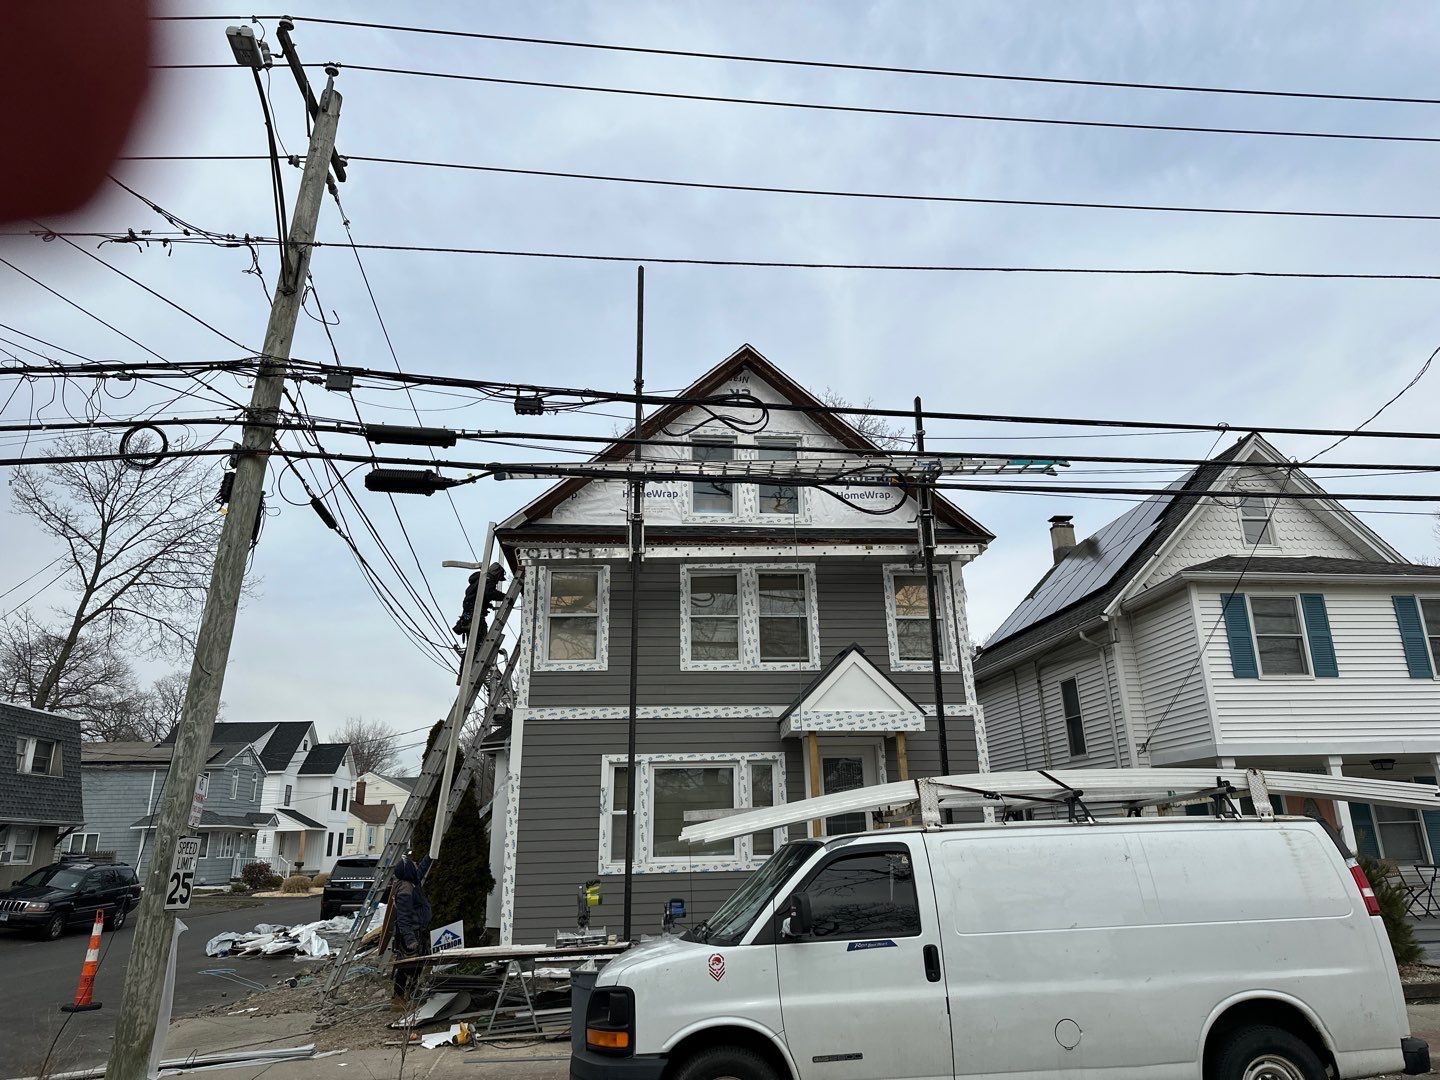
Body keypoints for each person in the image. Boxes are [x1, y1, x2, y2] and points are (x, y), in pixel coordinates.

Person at [391, 852, 434, 1009]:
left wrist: (430, 855)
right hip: (409, 934)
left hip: (417, 930)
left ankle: (410, 993)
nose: (416, 864)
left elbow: (422, 869)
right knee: (406, 966)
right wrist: (410, 939)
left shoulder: (413, 881)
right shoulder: (405, 889)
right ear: (408, 870)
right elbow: (402, 918)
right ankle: (398, 997)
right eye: (413, 863)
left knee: (417, 965)